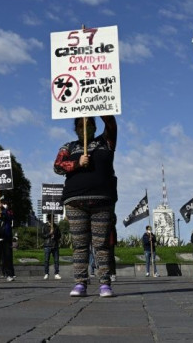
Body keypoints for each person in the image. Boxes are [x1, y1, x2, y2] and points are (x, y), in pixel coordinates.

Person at [53, 115, 117, 298]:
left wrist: (100, 107)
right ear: (75, 128)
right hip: (75, 201)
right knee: (80, 245)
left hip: (102, 201)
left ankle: (105, 283)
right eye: (81, 124)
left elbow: (111, 124)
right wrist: (76, 163)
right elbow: (57, 166)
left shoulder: (106, 142)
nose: (85, 127)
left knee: (101, 245)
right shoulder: (69, 147)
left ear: (96, 126)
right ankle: (80, 282)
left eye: (89, 124)